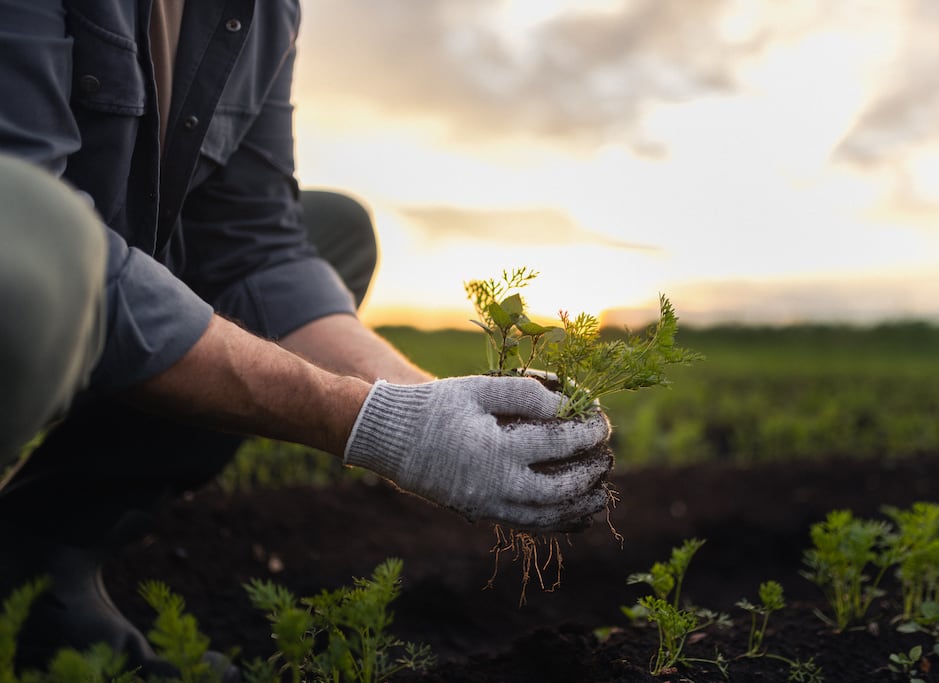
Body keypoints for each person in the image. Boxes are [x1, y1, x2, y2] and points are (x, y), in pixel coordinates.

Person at [0, 0, 613, 677]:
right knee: (28, 244)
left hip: (84, 285)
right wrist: (376, 425)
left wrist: (438, 410)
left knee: (335, 231)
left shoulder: (260, 12)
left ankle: (36, 558)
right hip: (24, 263)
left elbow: (255, 248)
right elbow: (36, 233)